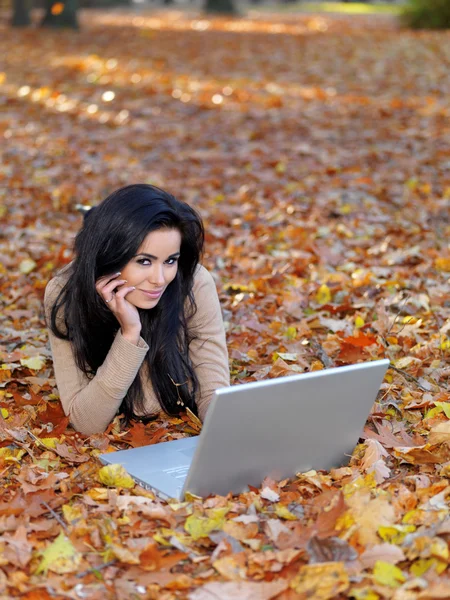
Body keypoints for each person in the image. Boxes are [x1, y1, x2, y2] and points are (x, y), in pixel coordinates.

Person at [44, 184, 230, 436]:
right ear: (110, 256)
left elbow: (212, 393)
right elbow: (86, 423)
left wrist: (228, 431)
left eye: (170, 261)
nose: (160, 279)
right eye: (144, 261)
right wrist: (130, 334)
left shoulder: (193, 283)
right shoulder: (66, 293)